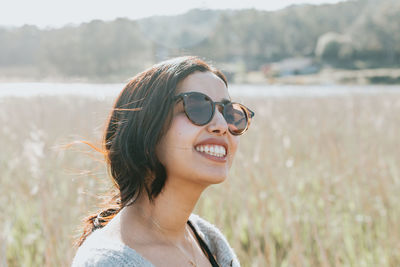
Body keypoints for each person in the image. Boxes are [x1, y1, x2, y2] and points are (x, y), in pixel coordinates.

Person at [71, 56, 254, 267]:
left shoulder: (209, 242)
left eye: (230, 113)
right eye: (197, 107)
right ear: (146, 128)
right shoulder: (108, 261)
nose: (221, 125)